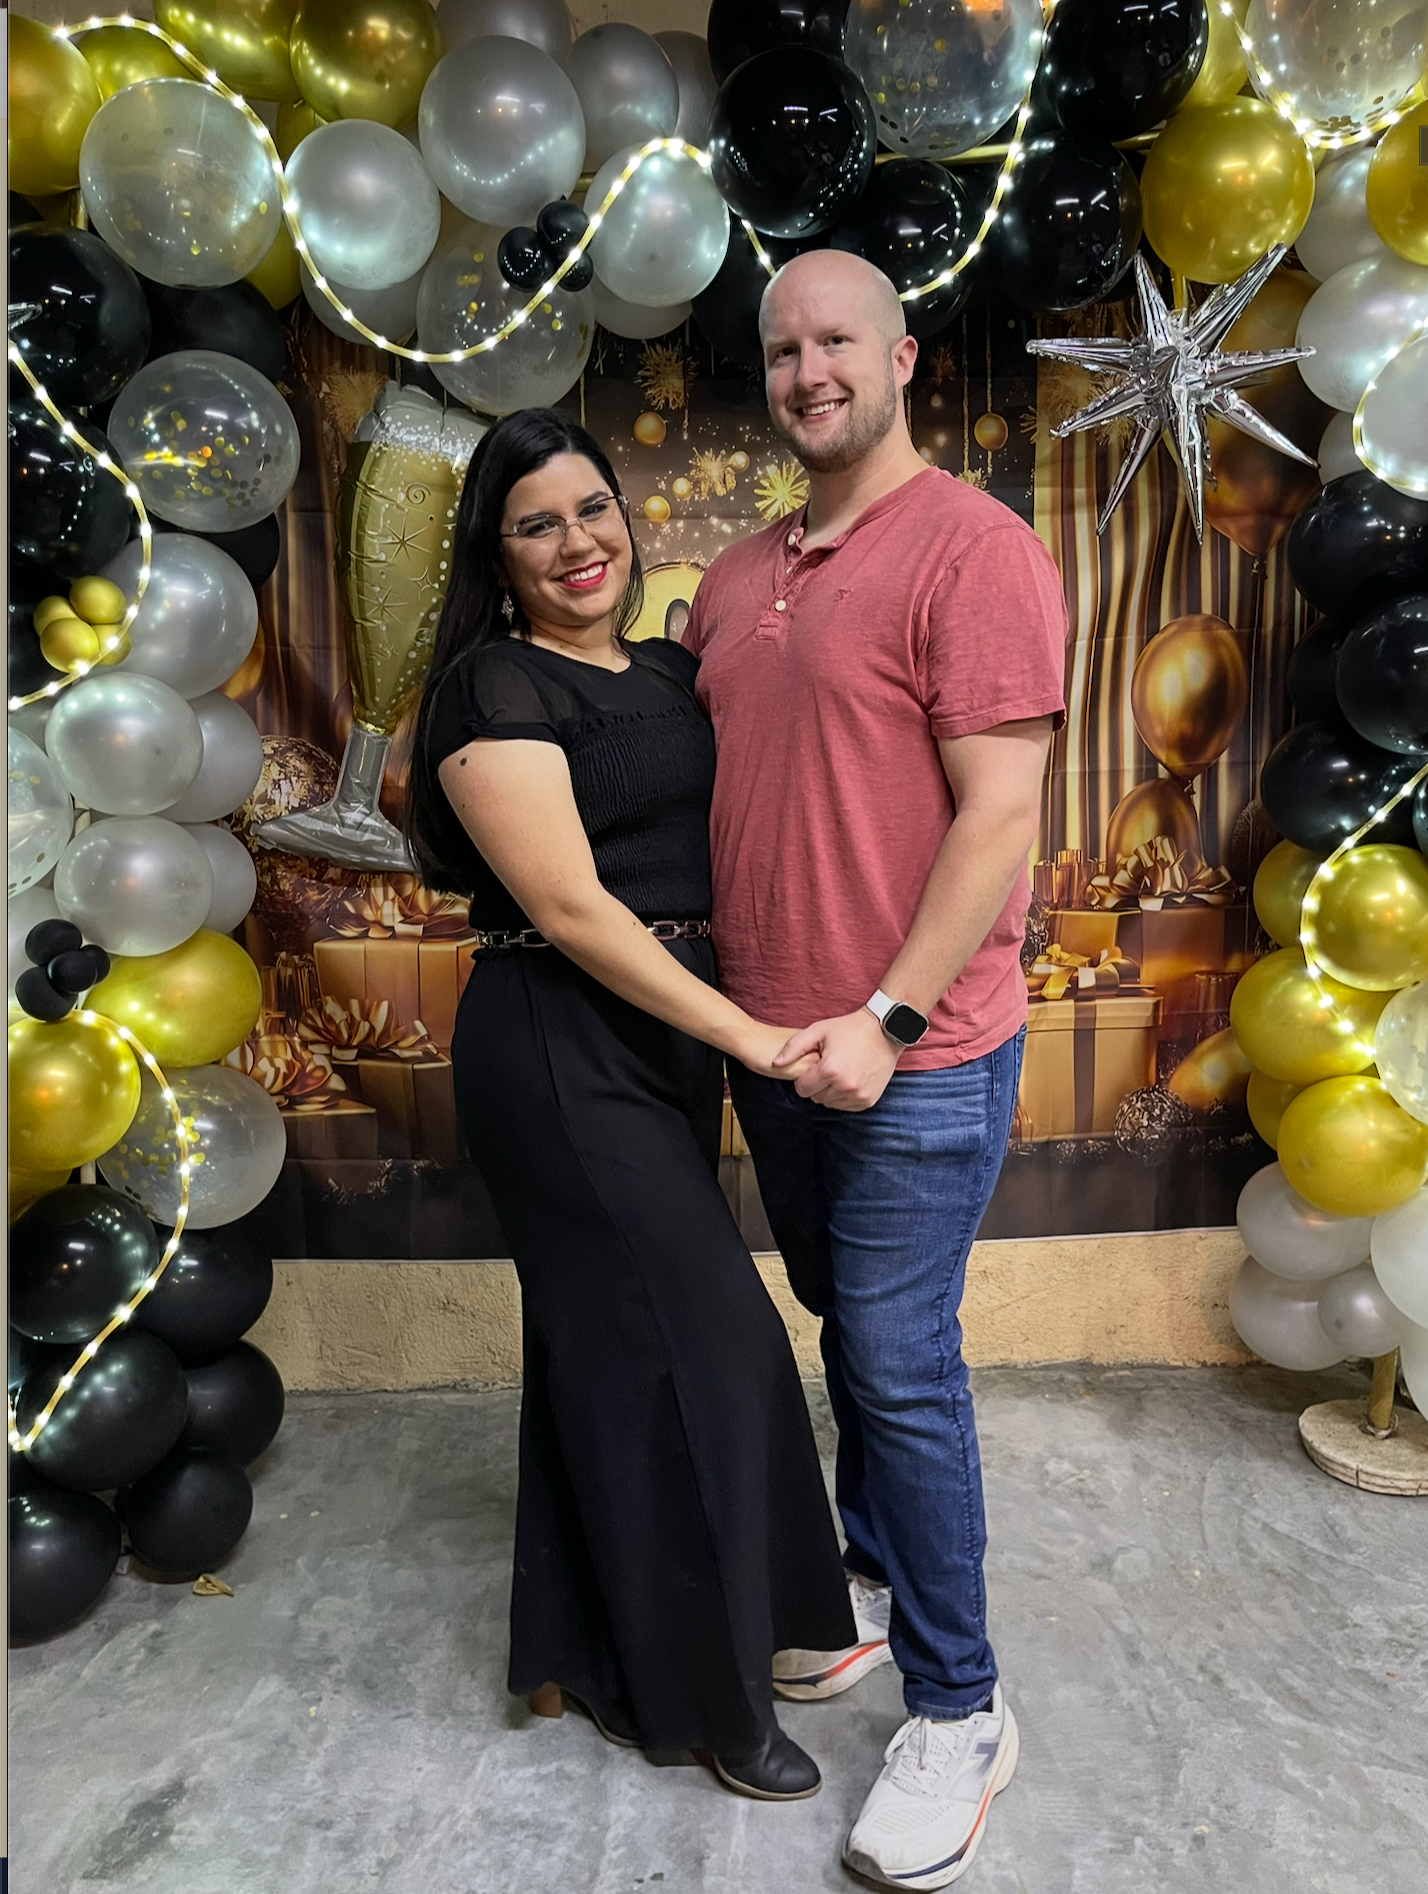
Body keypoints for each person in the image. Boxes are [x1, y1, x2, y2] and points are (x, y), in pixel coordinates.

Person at [683, 251, 1068, 1888]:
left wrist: (891, 1017)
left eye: (838, 339)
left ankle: (963, 1705)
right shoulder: (730, 577)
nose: (808, 371)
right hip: (775, 1041)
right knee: (846, 1321)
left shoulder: (975, 549)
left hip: (917, 1048)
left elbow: (1002, 813)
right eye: (784, 349)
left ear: (902, 358)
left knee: (901, 1361)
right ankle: (864, 1570)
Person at [404, 408, 856, 1802]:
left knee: (607, 1350)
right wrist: (752, 1037)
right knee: (704, 1339)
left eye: (591, 508)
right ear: (496, 554)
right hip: (559, 1041)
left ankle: (589, 1652)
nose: (575, 543)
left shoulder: (667, 667)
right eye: (535, 525)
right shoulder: (492, 685)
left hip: (665, 1045)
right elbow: (570, 908)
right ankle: (709, 1702)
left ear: (624, 513)